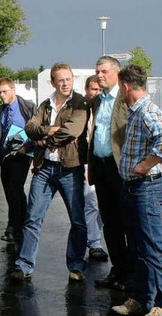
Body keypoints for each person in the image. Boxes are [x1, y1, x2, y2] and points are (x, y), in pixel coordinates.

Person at [10, 63, 89, 281]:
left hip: (69, 168)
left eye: (69, 79)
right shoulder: (45, 104)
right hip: (44, 168)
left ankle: (76, 265)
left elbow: (72, 131)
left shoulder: (80, 103)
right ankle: (24, 265)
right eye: (61, 80)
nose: (65, 83)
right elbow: (29, 128)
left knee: (77, 219)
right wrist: (47, 130)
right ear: (53, 82)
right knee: (33, 217)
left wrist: (42, 140)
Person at [110, 65, 162, 316]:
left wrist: (145, 164)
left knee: (153, 247)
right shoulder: (135, 112)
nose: (119, 91)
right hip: (132, 188)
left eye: (120, 87)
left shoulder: (148, 111)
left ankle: (160, 305)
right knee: (139, 248)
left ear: (126, 86)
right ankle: (141, 299)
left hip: (147, 188)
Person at [88, 56, 132, 290]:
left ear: (116, 73)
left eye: (103, 71)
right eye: (97, 71)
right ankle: (118, 270)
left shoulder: (125, 99)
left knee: (127, 222)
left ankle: (132, 275)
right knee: (110, 222)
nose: (99, 75)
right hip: (101, 166)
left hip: (120, 168)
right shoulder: (98, 101)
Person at [0, 78, 37, 245]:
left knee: (14, 189)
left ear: (13, 90)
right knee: (11, 192)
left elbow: (37, 131)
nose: (2, 95)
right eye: (0, 92)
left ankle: (13, 228)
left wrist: (29, 148)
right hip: (5, 156)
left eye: (5, 91)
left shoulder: (28, 107)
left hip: (23, 155)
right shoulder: (0, 111)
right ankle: (23, 223)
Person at [83, 75, 109, 262]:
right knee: (91, 203)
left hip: (101, 163)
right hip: (84, 162)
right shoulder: (81, 108)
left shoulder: (105, 108)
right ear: (86, 90)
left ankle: (92, 235)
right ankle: (94, 243)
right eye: (93, 89)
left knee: (103, 205)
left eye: (99, 89)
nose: (96, 92)